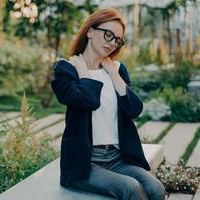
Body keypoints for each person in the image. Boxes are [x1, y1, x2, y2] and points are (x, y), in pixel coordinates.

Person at [50, 8, 166, 200]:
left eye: (117, 40)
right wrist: (85, 74)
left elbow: (134, 109)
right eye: (108, 35)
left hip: (117, 158)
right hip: (85, 163)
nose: (112, 43)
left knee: (156, 188)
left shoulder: (118, 69)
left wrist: (113, 73)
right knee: (132, 189)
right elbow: (89, 101)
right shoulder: (67, 69)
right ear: (90, 31)